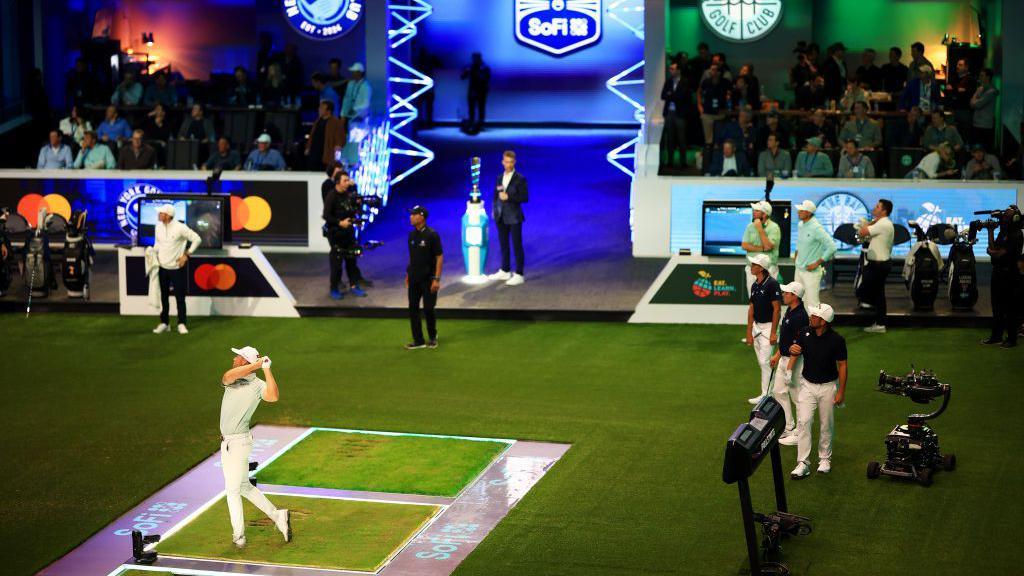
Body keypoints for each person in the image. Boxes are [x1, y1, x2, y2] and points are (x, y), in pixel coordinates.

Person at [218, 345, 291, 548]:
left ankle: (238, 537)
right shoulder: (233, 379)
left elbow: (274, 396)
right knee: (243, 487)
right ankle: (278, 516)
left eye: (237, 357)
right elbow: (226, 376)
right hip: (230, 443)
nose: (233, 359)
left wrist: (266, 369)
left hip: (238, 443)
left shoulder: (258, 385)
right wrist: (257, 364)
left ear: (244, 360)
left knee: (232, 491)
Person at [788, 303, 847, 479]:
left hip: (828, 387)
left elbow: (842, 365)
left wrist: (841, 392)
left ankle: (824, 459)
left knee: (826, 424)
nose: (811, 317)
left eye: (815, 316)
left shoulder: (837, 340)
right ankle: (803, 463)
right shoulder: (805, 332)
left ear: (825, 321)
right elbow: (795, 347)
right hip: (807, 385)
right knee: (804, 422)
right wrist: (793, 349)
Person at [152, 203, 201, 334]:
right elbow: (158, 244)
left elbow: (197, 239)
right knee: (163, 296)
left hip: (177, 268)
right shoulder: (158, 227)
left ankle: (181, 323)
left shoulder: (180, 227)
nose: (158, 215)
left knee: (180, 297)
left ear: (168, 215)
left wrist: (186, 255)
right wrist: (151, 251)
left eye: (161, 213)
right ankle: (164, 323)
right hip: (162, 268)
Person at [981, 206, 1023, 348]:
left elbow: (999, 253)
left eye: (1007, 216)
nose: (1004, 218)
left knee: (1010, 309)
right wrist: (990, 231)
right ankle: (996, 336)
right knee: (997, 306)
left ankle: (1011, 339)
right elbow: (993, 247)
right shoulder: (1004, 232)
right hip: (998, 272)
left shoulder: (1016, 234)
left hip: (1010, 274)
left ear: (1015, 218)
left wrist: (991, 252)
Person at [773, 281, 809, 445]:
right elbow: (786, 340)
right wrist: (777, 355)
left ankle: (800, 434)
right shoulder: (790, 310)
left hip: (794, 363)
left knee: (797, 398)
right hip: (784, 359)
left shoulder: (801, 316)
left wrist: (789, 369)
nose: (783, 295)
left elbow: (797, 345)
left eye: (786, 293)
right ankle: (788, 427)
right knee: (779, 391)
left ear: (794, 296)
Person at [322, 172, 368, 299]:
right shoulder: (331, 196)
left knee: (352, 261)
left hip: (349, 233)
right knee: (336, 264)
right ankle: (334, 288)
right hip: (336, 234)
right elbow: (326, 215)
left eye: (348, 180)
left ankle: (354, 286)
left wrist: (357, 205)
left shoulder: (349, 195)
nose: (348, 183)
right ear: (338, 182)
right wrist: (339, 222)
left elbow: (354, 212)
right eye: (345, 180)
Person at [745, 253, 782, 405]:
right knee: (762, 363)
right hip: (756, 328)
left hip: (768, 329)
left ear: (761, 268)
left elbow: (777, 310)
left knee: (765, 362)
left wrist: (773, 332)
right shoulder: (755, 285)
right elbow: (751, 308)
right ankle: (765, 393)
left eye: (754, 265)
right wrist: (748, 331)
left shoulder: (772, 284)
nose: (751, 267)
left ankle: (767, 395)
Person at [406, 205, 443, 350]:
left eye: (414, 215)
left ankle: (432, 337)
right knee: (413, 309)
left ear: (421, 217)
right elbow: (413, 258)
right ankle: (419, 340)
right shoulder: (411, 236)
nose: (411, 217)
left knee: (428, 309)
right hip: (414, 278)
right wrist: (408, 274)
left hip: (428, 279)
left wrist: (436, 279)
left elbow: (439, 257)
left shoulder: (432, 235)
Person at [489, 151, 528, 285]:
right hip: (501, 216)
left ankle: (519, 274)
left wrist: (509, 197)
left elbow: (525, 197)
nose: (508, 165)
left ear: (514, 162)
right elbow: (496, 195)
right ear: (502, 162)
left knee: (517, 245)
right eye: (506, 162)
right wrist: (494, 211)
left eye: (511, 162)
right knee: (503, 244)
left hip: (514, 217)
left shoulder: (520, 178)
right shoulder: (499, 178)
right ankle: (505, 271)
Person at [858, 199, 894, 333]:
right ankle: (879, 322)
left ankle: (880, 322)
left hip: (879, 264)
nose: (874, 208)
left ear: (884, 211)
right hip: (878, 264)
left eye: (878, 206)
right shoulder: (882, 222)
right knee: (877, 293)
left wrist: (864, 224)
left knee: (871, 292)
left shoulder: (883, 224)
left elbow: (862, 232)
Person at [793, 200, 836, 307]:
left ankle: (815, 324)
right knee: (798, 301)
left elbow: (832, 247)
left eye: (801, 210)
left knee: (812, 303)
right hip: (799, 269)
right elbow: (799, 241)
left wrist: (817, 263)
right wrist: (796, 254)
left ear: (808, 213)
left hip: (811, 273)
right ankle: (802, 324)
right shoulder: (800, 225)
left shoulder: (816, 228)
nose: (798, 212)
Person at [742, 201, 782, 293]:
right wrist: (762, 248)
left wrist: (760, 229)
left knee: (769, 301)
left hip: (769, 269)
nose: (753, 212)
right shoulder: (750, 227)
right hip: (751, 268)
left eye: (757, 211)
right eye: (754, 210)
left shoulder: (774, 228)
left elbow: (768, 246)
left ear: (764, 214)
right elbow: (744, 245)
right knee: (753, 299)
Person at [660, 61, 691, 169]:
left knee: (682, 138)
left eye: (673, 69)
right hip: (669, 112)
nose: (671, 71)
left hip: (680, 113)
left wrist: (671, 94)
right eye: (670, 69)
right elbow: (663, 96)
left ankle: (683, 161)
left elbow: (682, 97)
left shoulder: (685, 82)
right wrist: (674, 95)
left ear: (678, 70)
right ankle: (670, 161)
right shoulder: (668, 81)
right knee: (670, 138)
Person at [340, 63, 371, 165]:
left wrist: (355, 110)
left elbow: (366, 103)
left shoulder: (366, 86)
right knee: (347, 139)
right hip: (349, 117)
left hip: (359, 118)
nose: (353, 74)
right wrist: (343, 114)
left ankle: (354, 162)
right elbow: (346, 99)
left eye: (354, 72)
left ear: (359, 73)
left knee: (356, 140)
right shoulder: (351, 84)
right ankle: (346, 160)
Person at [305, 99, 345, 172]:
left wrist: (337, 147)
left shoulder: (335, 122)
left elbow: (339, 138)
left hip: (326, 154)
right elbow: (312, 135)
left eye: (322, 108)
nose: (319, 110)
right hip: (314, 153)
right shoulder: (318, 121)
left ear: (328, 111)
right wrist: (308, 147)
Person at [698, 63, 730, 146]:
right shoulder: (706, 81)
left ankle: (717, 156)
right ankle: (708, 156)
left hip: (720, 113)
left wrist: (727, 106)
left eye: (713, 69)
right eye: (710, 69)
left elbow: (731, 94)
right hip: (707, 113)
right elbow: (699, 92)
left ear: (719, 72)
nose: (711, 71)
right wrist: (699, 106)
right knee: (708, 140)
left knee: (719, 139)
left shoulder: (725, 82)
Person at [462, 52, 491, 134]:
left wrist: (478, 73)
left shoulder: (485, 67)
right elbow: (462, 77)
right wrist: (467, 71)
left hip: (481, 91)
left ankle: (481, 125)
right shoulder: (470, 67)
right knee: (471, 109)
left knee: (481, 108)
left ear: (480, 58)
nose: (474, 60)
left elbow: (487, 78)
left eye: (476, 58)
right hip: (472, 90)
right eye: (473, 58)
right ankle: (472, 124)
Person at [970, 68, 998, 150]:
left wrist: (974, 100)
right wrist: (975, 100)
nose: (979, 77)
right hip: (976, 123)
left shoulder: (991, 92)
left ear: (988, 77)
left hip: (985, 126)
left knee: (985, 150)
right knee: (976, 149)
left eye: (982, 75)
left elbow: (978, 104)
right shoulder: (980, 89)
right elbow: (971, 103)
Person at [946, 58, 976, 133]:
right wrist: (958, 90)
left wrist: (954, 90)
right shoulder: (953, 78)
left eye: (960, 65)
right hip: (952, 110)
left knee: (964, 132)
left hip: (965, 111)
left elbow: (967, 94)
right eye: (957, 64)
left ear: (966, 67)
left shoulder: (971, 80)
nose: (957, 66)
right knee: (951, 132)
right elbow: (948, 91)